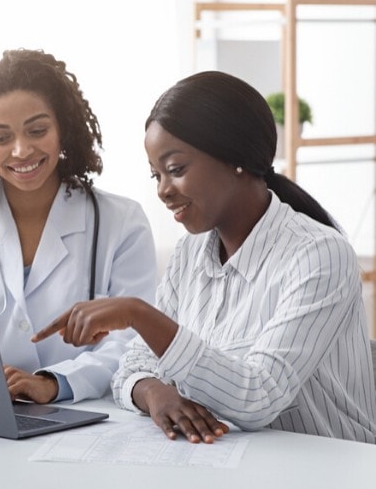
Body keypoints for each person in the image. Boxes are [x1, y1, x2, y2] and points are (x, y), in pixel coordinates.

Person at [34, 70, 376, 443]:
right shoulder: (190, 252)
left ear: (236, 157)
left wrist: (138, 313)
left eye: (176, 170)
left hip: (330, 468)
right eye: (156, 176)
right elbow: (132, 366)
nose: (164, 191)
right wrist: (154, 393)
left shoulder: (320, 255)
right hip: (228, 463)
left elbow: (258, 397)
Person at [0, 49, 157, 404]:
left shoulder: (121, 221)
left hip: (88, 417)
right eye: (1, 138)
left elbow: (135, 342)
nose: (21, 151)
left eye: (37, 130)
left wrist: (54, 383)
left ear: (63, 129)